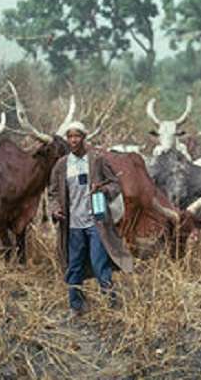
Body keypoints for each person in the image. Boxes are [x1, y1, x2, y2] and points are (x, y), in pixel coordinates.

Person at [49, 121, 133, 317]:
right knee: (74, 265)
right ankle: (76, 306)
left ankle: (111, 307)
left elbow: (115, 185)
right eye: (69, 137)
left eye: (77, 136)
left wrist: (102, 189)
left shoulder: (97, 160)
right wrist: (55, 209)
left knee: (99, 263)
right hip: (73, 225)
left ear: (84, 137)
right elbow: (52, 193)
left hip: (96, 222)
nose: (73, 140)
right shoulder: (61, 165)